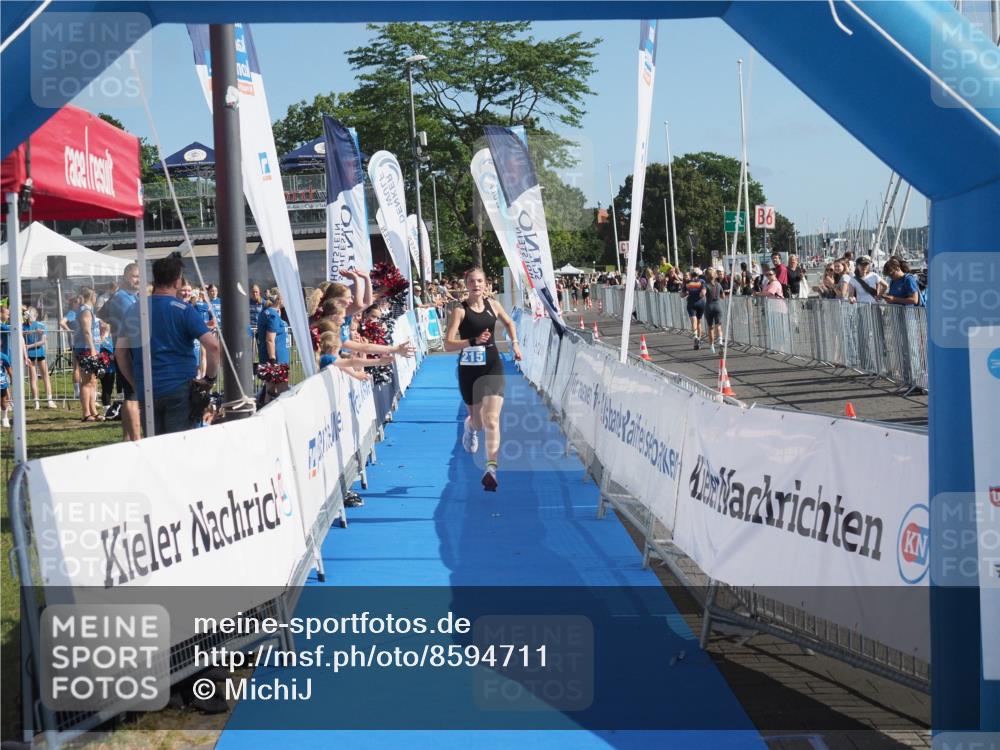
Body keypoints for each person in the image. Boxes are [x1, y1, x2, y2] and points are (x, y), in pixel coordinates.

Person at [117, 254, 221, 435]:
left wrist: (136, 383)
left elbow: (121, 354)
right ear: (177, 281)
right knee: (179, 449)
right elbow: (213, 346)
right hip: (179, 388)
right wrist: (209, 379)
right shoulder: (183, 309)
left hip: (147, 389)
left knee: (155, 448)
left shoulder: (134, 309)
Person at [444, 267, 522, 492]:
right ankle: (470, 426)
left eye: (480, 281)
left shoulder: (494, 305)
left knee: (492, 420)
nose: (476, 285)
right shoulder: (460, 310)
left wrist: (514, 342)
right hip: (469, 370)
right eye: (472, 281)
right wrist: (472, 341)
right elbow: (447, 343)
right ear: (466, 284)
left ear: (486, 284)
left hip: (491, 366)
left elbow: (509, 322)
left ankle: (491, 468)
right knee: (478, 422)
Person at [98, 262, 142, 440]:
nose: (138, 280)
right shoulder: (121, 298)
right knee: (133, 395)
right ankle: (137, 439)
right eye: (135, 276)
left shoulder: (129, 296)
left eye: (140, 277)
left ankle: (127, 439)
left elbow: (103, 314)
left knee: (129, 396)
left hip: (128, 348)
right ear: (125, 277)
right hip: (128, 350)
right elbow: (134, 325)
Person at [73, 287, 102, 422]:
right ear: (93, 297)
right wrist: (92, 349)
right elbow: (86, 331)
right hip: (85, 349)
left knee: (92, 381)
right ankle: (86, 412)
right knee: (86, 382)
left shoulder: (89, 310)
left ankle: (93, 411)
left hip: (90, 348)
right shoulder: (85, 311)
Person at [23, 307, 57, 409]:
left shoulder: (41, 325)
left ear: (35, 315)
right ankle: (36, 401)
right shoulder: (22, 326)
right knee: (33, 378)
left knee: (45, 376)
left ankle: (49, 400)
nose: (29, 316)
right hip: (29, 355)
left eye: (31, 313)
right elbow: (20, 336)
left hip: (40, 353)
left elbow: (43, 341)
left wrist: (29, 346)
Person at [681, 268, 706, 349]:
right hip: (700, 303)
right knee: (699, 322)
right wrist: (699, 294)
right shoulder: (702, 281)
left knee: (693, 321)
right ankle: (699, 339)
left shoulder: (687, 283)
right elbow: (703, 293)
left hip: (691, 303)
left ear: (691, 275)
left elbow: (682, 295)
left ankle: (695, 336)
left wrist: (688, 292)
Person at [703, 268, 726, 353]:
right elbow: (723, 297)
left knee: (710, 328)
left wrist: (702, 294)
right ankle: (720, 341)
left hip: (708, 307)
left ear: (706, 276)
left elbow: (702, 293)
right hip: (717, 307)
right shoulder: (718, 284)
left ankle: (712, 346)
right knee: (718, 326)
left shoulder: (705, 285)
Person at [0, 349, 11, 428]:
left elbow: (9, 370)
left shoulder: (3, 357)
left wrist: (12, 379)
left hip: (2, 383)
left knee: (3, 402)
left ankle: (5, 418)